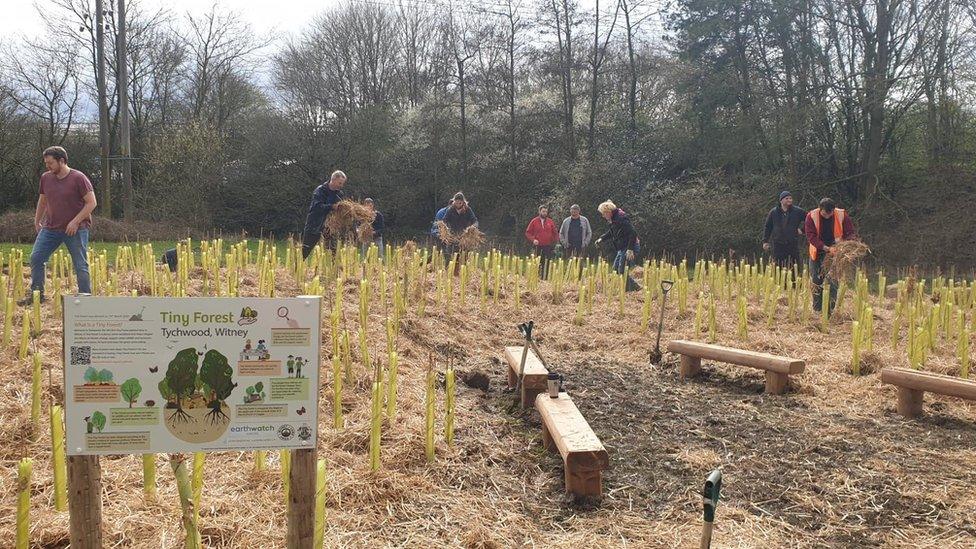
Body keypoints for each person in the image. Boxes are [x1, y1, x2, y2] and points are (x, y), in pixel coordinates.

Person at [22, 146, 96, 305]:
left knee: (80, 264)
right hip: (51, 228)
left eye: (50, 163)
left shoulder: (79, 178)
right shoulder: (45, 178)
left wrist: (75, 221)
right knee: (36, 257)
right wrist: (37, 220)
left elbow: (91, 203)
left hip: (76, 229)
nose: (47, 166)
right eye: (46, 163)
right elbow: (42, 201)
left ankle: (86, 298)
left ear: (61, 161)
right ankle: (36, 295)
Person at [804, 197, 856, 314]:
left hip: (836, 253)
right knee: (817, 280)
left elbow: (850, 233)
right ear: (820, 208)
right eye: (824, 213)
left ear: (833, 209)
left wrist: (844, 247)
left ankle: (830, 311)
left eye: (830, 213)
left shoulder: (842, 214)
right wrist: (827, 248)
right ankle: (817, 310)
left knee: (833, 281)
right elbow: (811, 237)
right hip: (817, 252)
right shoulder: (811, 216)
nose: (827, 216)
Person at [595, 200, 641, 291]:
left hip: (629, 246)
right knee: (616, 268)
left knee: (621, 269)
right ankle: (633, 287)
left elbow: (633, 233)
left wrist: (630, 249)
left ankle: (633, 288)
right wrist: (602, 238)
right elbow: (612, 232)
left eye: (603, 214)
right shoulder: (614, 219)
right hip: (622, 247)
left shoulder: (621, 218)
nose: (603, 216)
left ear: (608, 212)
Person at [301, 170, 347, 260]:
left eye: (342, 184)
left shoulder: (339, 194)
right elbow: (317, 207)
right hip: (315, 222)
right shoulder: (320, 191)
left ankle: (335, 269)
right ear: (333, 180)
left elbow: (339, 209)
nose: (341, 186)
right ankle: (297, 268)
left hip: (330, 225)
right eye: (340, 183)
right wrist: (332, 207)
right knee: (307, 247)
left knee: (334, 248)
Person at [762, 191, 806, 270]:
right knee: (778, 267)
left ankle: (794, 282)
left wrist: (803, 230)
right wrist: (765, 241)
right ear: (781, 200)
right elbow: (768, 227)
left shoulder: (798, 211)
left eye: (790, 198)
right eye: (787, 198)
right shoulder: (774, 212)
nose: (789, 200)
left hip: (792, 244)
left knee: (794, 267)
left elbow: (810, 220)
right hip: (778, 245)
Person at [525, 205, 559, 278]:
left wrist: (554, 242)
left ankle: (545, 278)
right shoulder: (534, 221)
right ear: (539, 211)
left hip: (548, 246)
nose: (545, 213)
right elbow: (528, 232)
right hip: (538, 246)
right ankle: (536, 277)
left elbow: (555, 233)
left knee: (546, 263)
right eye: (543, 211)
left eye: (546, 212)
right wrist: (533, 239)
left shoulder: (550, 221)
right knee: (537, 262)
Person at [443, 192, 478, 260]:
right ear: (454, 202)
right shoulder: (450, 210)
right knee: (449, 257)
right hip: (452, 237)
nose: (458, 205)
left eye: (460, 203)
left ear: (463, 202)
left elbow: (475, 220)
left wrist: (473, 227)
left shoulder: (468, 210)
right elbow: (444, 220)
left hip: (464, 237)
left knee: (464, 257)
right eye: (456, 203)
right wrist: (445, 228)